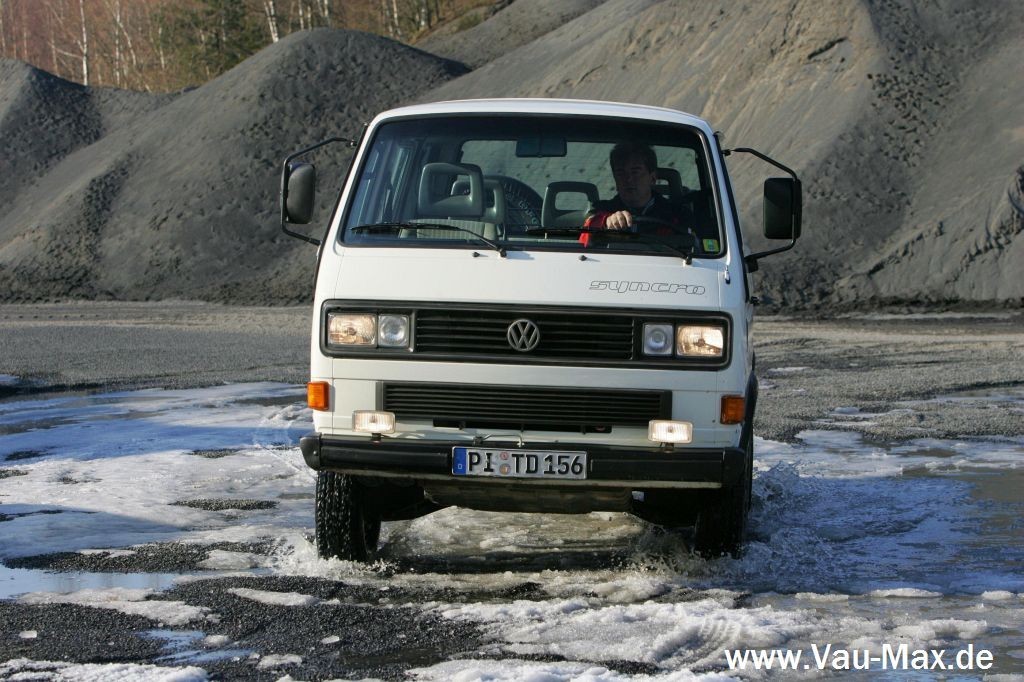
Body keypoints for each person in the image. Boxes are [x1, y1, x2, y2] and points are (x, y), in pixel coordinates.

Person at [583, 142, 685, 232]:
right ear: (615, 179)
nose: (628, 179)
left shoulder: (677, 213)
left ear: (653, 178)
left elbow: (692, 240)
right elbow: (586, 231)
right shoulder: (601, 209)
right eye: (620, 173)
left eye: (635, 172)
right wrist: (606, 222)